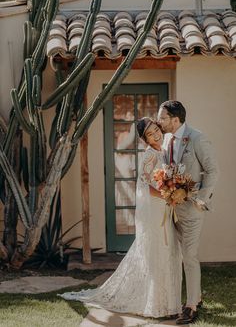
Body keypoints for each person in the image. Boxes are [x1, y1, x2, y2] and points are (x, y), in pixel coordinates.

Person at [59, 117, 182, 319]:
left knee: (168, 252)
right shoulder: (150, 155)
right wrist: (168, 194)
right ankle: (157, 304)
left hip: (166, 208)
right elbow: (144, 184)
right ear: (145, 139)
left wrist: (175, 191)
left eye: (155, 130)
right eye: (150, 134)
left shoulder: (166, 151)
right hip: (155, 209)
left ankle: (169, 302)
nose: (156, 135)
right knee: (157, 251)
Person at [157, 100, 219, 325]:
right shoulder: (165, 139)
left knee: (189, 256)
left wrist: (201, 199)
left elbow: (213, 171)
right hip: (171, 209)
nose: (159, 121)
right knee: (178, 255)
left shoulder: (197, 138)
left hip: (192, 208)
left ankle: (191, 306)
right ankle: (198, 297)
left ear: (176, 119)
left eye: (163, 118)